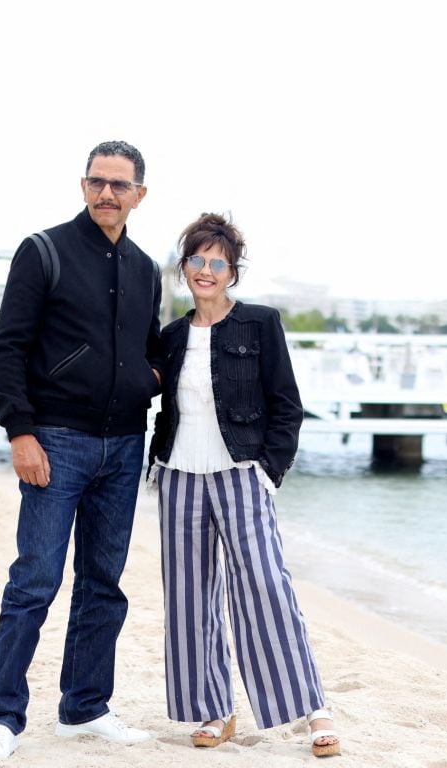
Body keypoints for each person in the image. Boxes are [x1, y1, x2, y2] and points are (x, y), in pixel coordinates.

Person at [0, 140, 162, 761]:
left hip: (125, 445)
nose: (107, 193)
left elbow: (151, 348)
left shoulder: (144, 268)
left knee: (103, 583)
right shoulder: (44, 250)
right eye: (97, 181)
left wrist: (147, 380)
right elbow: (9, 348)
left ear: (140, 194)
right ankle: (2, 718)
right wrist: (19, 431)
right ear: (83, 185)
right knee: (35, 581)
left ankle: (84, 708)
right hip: (56, 441)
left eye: (119, 184)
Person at [147, 213, 341, 757]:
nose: (206, 271)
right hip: (179, 475)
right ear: (184, 267)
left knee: (266, 588)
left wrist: (268, 472)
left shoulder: (260, 324)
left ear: (233, 272)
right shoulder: (171, 336)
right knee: (189, 599)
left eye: (217, 263)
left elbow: (287, 406)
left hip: (241, 474)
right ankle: (215, 709)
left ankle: (314, 710)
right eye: (197, 261)